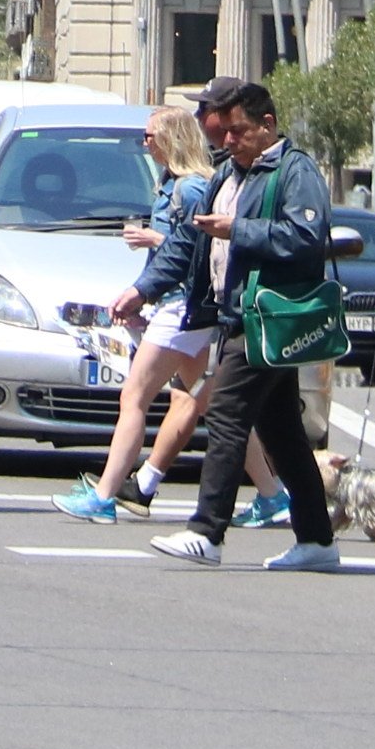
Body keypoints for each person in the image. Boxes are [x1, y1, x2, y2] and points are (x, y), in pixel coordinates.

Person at [147, 76, 342, 572]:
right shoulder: (228, 173)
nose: (227, 140)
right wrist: (144, 289)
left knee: (228, 415)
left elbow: (305, 235)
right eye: (224, 133)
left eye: (238, 131)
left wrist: (240, 230)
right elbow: (191, 245)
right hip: (236, 314)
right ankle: (318, 540)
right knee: (282, 434)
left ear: (267, 125)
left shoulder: (294, 171)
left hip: (266, 318)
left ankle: (207, 531)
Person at [68, 106, 239, 524]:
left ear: (171, 140)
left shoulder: (192, 188)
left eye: (150, 136)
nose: (144, 144)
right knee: (208, 403)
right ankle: (272, 494)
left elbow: (194, 250)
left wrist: (151, 249)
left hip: (184, 305)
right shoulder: (171, 184)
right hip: (180, 306)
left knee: (135, 395)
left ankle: (106, 495)